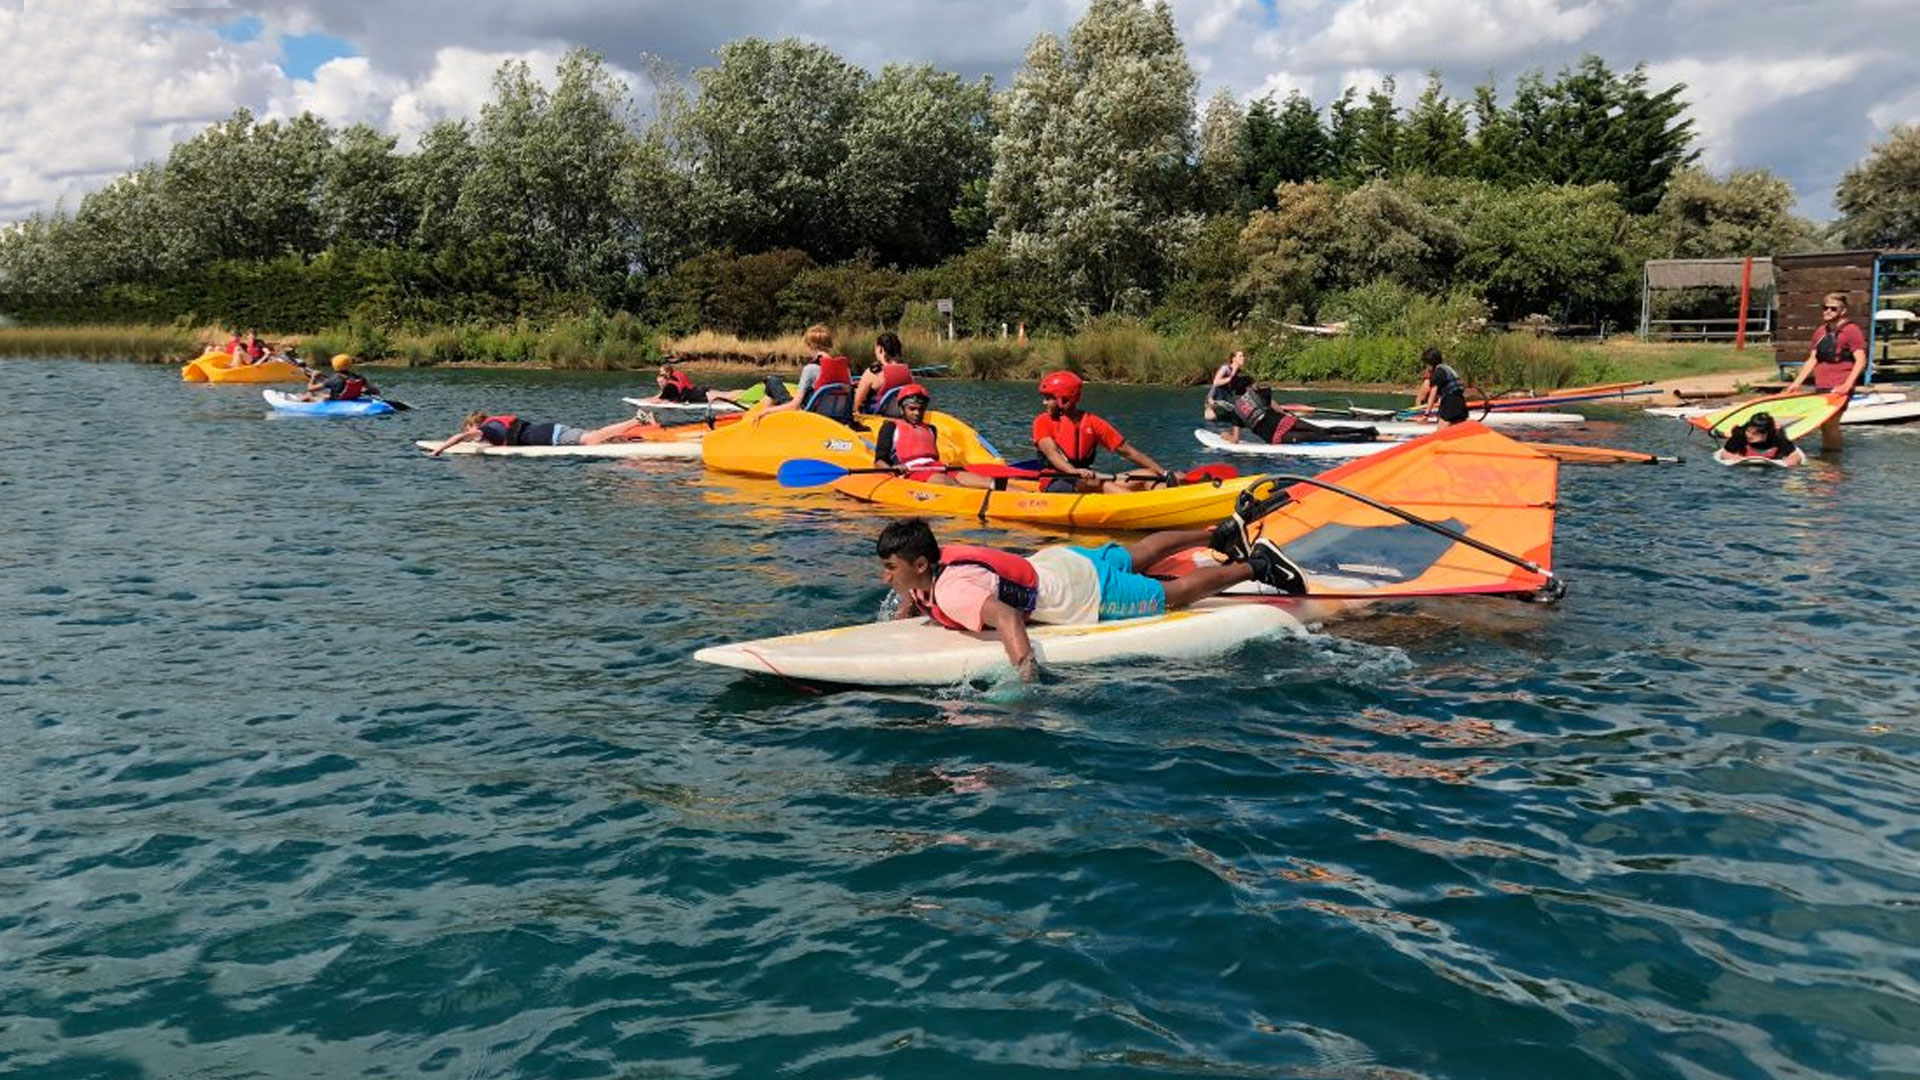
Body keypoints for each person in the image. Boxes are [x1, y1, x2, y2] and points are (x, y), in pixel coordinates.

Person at [875, 515, 1302, 681]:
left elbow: (1007, 619)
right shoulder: (932, 564)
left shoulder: (952, 591)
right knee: (1135, 554)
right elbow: (915, 596)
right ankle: (1220, 534)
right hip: (1058, 560)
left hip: (1082, 593)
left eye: (891, 567)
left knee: (1172, 595)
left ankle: (1259, 565)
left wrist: (1026, 683)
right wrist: (900, 621)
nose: (885, 575)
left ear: (921, 565)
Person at [1031, 371, 1173, 493]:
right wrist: (1073, 471)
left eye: (1049, 398)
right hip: (1056, 481)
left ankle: (1171, 501)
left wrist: (1164, 473)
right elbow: (1053, 454)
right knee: (1099, 483)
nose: (1044, 403)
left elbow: (1130, 452)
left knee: (1148, 474)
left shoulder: (1093, 422)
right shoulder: (1042, 421)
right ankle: (1143, 507)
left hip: (1086, 478)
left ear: (1064, 399)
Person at [1783, 292, 1868, 446]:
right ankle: (1829, 459)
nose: (1828, 311)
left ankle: (1834, 462)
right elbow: (1813, 359)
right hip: (1822, 384)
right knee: (1824, 425)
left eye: (1833, 309)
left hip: (1840, 385)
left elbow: (1861, 360)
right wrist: (1796, 383)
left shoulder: (1851, 330)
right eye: (1825, 308)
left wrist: (1848, 385)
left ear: (1843, 311)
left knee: (1830, 424)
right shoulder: (1821, 331)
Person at [872, 384, 993, 488]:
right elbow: (879, 461)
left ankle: (1008, 497)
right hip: (912, 472)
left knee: (987, 482)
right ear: (902, 409)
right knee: (950, 483)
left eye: (921, 409)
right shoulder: (890, 427)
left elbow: (934, 457)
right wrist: (893, 469)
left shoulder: (931, 429)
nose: (917, 413)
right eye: (912, 409)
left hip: (938, 468)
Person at [427, 411, 650, 456]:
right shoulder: (494, 426)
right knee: (598, 437)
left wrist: (439, 450)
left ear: (474, 426)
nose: (470, 435)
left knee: (592, 439)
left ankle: (636, 419)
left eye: (469, 431)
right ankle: (640, 433)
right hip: (552, 430)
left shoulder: (486, 430)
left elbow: (458, 438)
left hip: (551, 436)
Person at [762, 324, 854, 423]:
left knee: (772, 381)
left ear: (811, 346)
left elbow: (794, 406)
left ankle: (765, 421)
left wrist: (768, 411)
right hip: (837, 417)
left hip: (810, 416)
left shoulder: (810, 369)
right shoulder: (845, 368)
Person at [854, 331, 915, 417]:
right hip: (900, 417)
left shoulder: (873, 373)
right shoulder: (907, 372)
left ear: (880, 349)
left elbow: (856, 404)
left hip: (876, 419)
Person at [1715, 412, 1805, 466]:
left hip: (1772, 443)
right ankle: (1728, 433)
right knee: (1737, 431)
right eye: (1748, 431)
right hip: (1739, 433)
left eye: (1754, 434)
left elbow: (1794, 455)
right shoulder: (1741, 433)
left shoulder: (1777, 436)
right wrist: (1734, 458)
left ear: (1766, 433)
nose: (1749, 435)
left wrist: (1786, 462)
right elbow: (1725, 453)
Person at [1412, 346, 1469, 426]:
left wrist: (1426, 414)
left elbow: (1432, 394)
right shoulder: (1447, 368)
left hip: (1450, 403)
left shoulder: (1438, 373)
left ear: (1430, 363)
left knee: (1440, 434)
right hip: (1461, 402)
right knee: (1458, 433)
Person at [1205, 350, 1247, 442]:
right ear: (1234, 359)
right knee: (1212, 422)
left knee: (1234, 424)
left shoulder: (1239, 373)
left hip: (1225, 403)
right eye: (1240, 356)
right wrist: (1231, 378)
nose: (1243, 358)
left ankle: (1232, 439)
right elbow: (1216, 382)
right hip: (1214, 401)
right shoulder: (1225, 368)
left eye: (1243, 356)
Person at [300, 354, 377, 401]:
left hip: (338, 400)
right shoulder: (359, 377)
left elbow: (310, 388)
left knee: (310, 393)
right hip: (351, 398)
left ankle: (308, 398)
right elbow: (376, 391)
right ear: (350, 365)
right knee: (323, 394)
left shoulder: (334, 379)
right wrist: (365, 390)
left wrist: (313, 377)